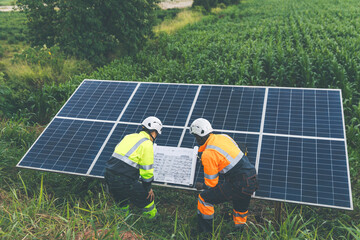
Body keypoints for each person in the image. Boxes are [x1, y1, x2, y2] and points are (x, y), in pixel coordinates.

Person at [189, 118, 258, 233]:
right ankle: (239, 233)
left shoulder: (208, 154)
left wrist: (201, 185)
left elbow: (211, 184)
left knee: (204, 199)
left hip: (238, 183)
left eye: (196, 137)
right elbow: (228, 158)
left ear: (200, 136)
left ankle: (204, 233)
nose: (196, 140)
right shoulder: (224, 137)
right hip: (251, 177)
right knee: (240, 207)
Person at [104, 116, 163, 219]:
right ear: (154, 132)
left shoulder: (129, 136)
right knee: (147, 198)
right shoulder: (147, 143)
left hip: (109, 175)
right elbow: (146, 170)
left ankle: (122, 220)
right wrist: (148, 188)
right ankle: (153, 219)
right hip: (124, 179)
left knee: (121, 199)